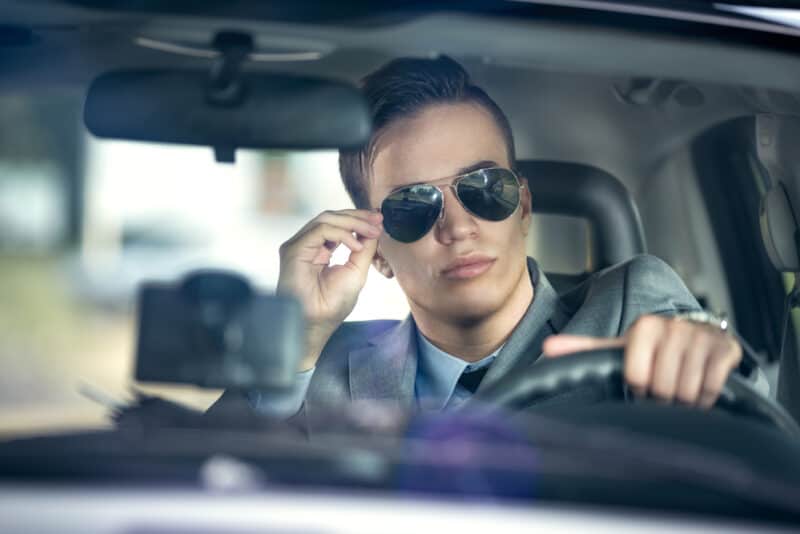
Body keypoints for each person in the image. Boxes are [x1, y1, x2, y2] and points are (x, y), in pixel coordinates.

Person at [209, 56, 742, 422]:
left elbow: (739, 422)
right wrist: (295, 340)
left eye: (485, 189)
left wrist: (699, 352)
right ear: (378, 252)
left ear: (523, 207)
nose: (458, 227)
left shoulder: (627, 308)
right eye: (414, 206)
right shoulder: (320, 366)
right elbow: (202, 483)